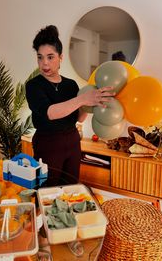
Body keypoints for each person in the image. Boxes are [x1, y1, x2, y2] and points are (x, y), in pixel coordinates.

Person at [25, 25, 115, 259]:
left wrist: (91, 105)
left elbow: (77, 116)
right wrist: (82, 99)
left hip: (71, 142)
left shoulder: (71, 86)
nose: (45, 63)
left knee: (72, 188)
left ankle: (69, 234)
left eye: (50, 57)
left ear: (60, 58)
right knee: (47, 192)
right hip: (47, 144)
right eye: (40, 57)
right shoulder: (34, 86)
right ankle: (44, 239)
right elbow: (49, 113)